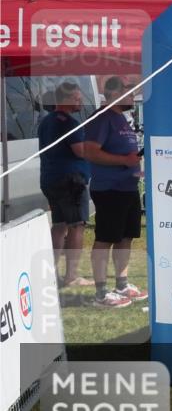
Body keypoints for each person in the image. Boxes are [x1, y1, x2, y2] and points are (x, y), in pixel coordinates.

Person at [83, 77, 146, 308]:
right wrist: (124, 160)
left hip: (127, 187)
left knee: (125, 237)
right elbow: (90, 152)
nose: (132, 95)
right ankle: (101, 293)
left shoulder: (122, 119)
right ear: (113, 93)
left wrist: (134, 164)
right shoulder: (102, 118)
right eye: (128, 91)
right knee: (105, 238)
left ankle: (122, 284)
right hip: (109, 189)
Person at [38, 81, 93, 287]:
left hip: (50, 179)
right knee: (77, 225)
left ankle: (52, 273)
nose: (80, 102)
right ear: (65, 100)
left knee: (59, 226)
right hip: (71, 181)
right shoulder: (69, 123)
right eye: (77, 98)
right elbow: (81, 151)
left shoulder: (46, 121)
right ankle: (71, 276)